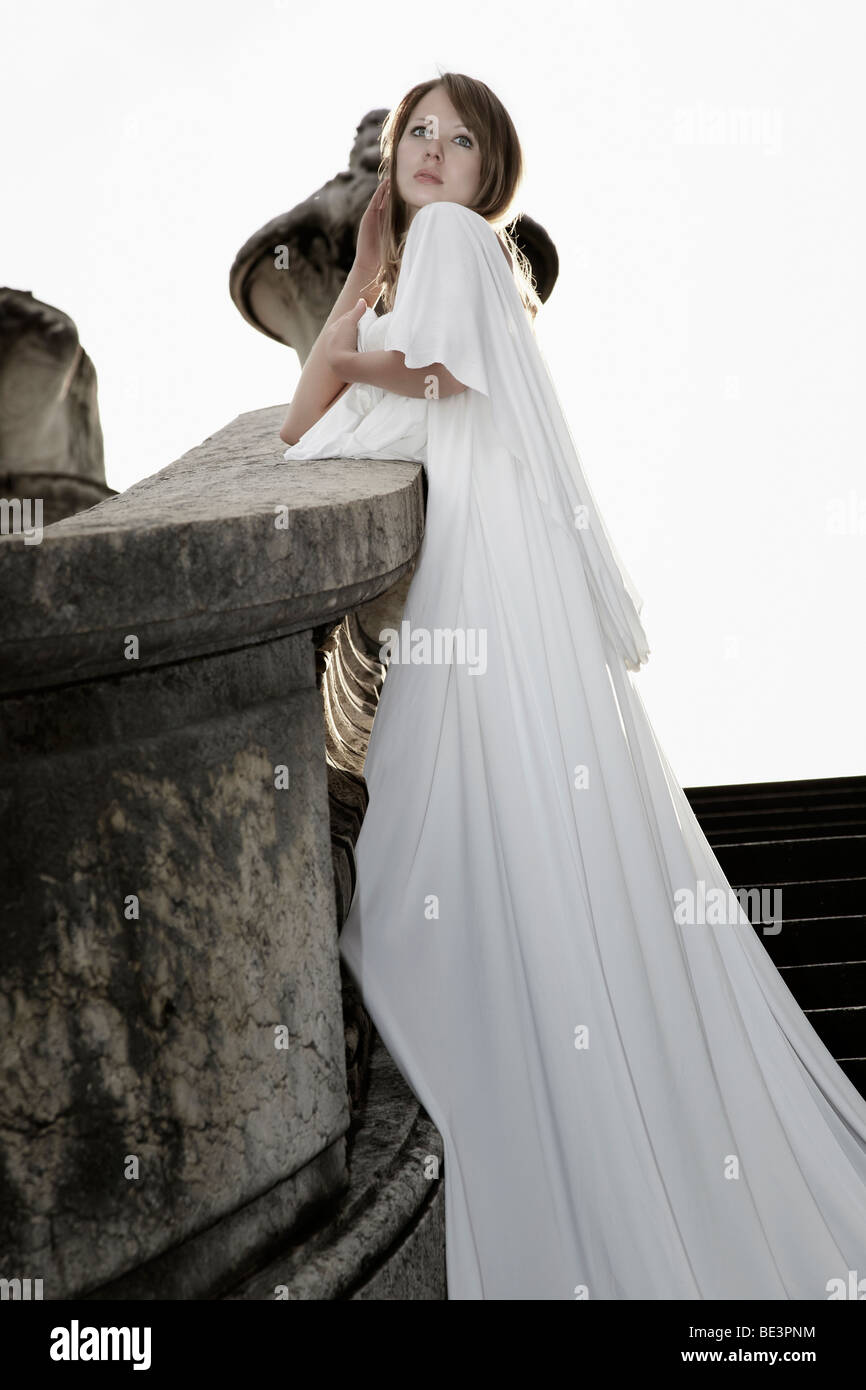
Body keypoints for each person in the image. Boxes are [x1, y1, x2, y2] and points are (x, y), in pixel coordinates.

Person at [280, 71, 866, 1300]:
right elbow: (311, 424)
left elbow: (411, 385)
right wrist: (362, 284)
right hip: (489, 600)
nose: (431, 153)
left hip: (475, 608)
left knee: (425, 875)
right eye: (412, 138)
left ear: (493, 164)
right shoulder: (455, 254)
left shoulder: (451, 242)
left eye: (456, 137)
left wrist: (358, 294)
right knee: (495, 862)